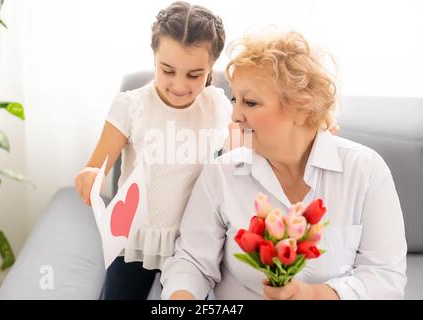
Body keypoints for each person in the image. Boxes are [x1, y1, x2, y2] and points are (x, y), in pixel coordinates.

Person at [160, 30, 407, 300]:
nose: (236, 114)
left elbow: (385, 278)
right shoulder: (220, 174)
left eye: (250, 102)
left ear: (301, 109)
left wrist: (312, 295)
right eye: (235, 100)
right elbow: (192, 263)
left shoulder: (366, 171)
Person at [74, 1, 231, 299]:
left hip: (190, 245)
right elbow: (96, 167)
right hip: (132, 240)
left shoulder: (217, 107)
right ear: (154, 57)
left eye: (194, 75)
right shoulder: (131, 106)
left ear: (211, 67)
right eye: (167, 70)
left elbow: (245, 160)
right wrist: (90, 175)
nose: (179, 85)